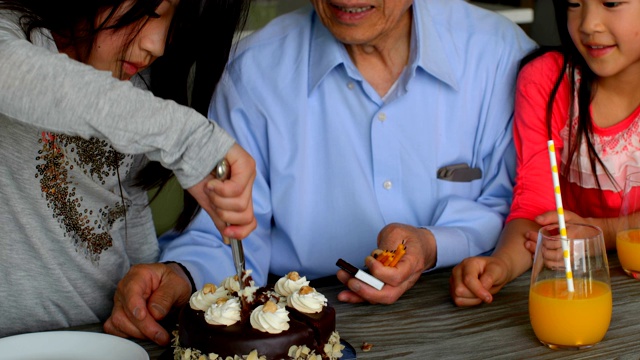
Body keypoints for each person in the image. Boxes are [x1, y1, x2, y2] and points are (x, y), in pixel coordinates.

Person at [108, 0, 536, 342]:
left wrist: (431, 244)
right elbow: (230, 232)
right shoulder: (252, 71)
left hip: (484, 307)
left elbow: (518, 202)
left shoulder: (496, 53)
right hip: (302, 324)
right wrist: (183, 275)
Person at [0, 0, 255, 340]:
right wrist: (189, 139)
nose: (157, 45)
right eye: (150, 13)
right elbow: (12, 72)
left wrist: (147, 294)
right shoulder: (14, 35)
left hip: (109, 342)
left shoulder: (135, 84)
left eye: (174, 24)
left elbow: (126, 212)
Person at [450, 0, 640, 307]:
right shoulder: (548, 81)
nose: (588, 24)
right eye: (574, 4)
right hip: (580, 294)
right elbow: (534, 209)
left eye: (611, 2)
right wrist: (501, 266)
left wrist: (602, 233)